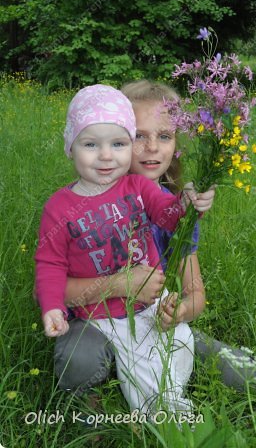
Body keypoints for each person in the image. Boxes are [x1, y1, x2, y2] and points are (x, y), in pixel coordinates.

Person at [53, 80, 256, 396]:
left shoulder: (176, 209)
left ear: (176, 145)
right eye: (138, 136)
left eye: (164, 136)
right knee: (80, 360)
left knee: (245, 373)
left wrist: (180, 311)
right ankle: (89, 401)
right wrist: (121, 284)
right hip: (91, 320)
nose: (152, 148)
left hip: (148, 319)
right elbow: (57, 291)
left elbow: (195, 293)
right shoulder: (83, 204)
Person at [35, 84, 215, 415]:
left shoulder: (141, 188)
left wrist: (189, 205)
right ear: (71, 148)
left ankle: (169, 399)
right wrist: (55, 306)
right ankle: (127, 408)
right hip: (94, 317)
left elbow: (169, 215)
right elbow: (48, 265)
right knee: (86, 357)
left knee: (185, 346)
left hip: (146, 310)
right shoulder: (60, 207)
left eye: (117, 143)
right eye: (92, 144)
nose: (106, 155)